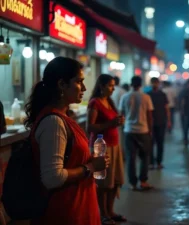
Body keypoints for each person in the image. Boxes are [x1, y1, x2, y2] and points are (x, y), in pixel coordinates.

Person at [24, 57, 109, 225]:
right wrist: (90, 167)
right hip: (66, 211)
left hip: (79, 206)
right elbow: (52, 177)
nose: (84, 88)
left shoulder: (64, 117)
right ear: (62, 84)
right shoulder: (53, 122)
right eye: (79, 82)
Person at [86, 74, 126, 224]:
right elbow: (90, 127)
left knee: (115, 181)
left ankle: (110, 211)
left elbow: (112, 122)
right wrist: (110, 124)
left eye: (113, 85)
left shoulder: (109, 101)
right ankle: (102, 214)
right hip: (101, 147)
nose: (113, 88)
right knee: (103, 183)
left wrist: (118, 122)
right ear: (101, 86)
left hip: (114, 145)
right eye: (110, 85)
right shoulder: (95, 103)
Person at [119, 76, 154, 191]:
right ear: (140, 84)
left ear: (131, 84)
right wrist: (150, 130)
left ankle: (132, 183)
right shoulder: (146, 97)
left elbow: (122, 114)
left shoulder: (125, 97)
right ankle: (143, 181)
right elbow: (149, 115)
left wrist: (125, 125)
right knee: (144, 157)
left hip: (129, 130)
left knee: (130, 157)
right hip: (143, 130)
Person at [147, 78, 171, 169]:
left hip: (161, 121)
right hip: (151, 123)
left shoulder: (162, 94)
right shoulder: (148, 95)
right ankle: (151, 162)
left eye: (156, 83)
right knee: (151, 143)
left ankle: (159, 162)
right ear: (151, 83)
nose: (155, 85)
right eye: (153, 83)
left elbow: (166, 108)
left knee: (160, 143)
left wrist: (169, 121)